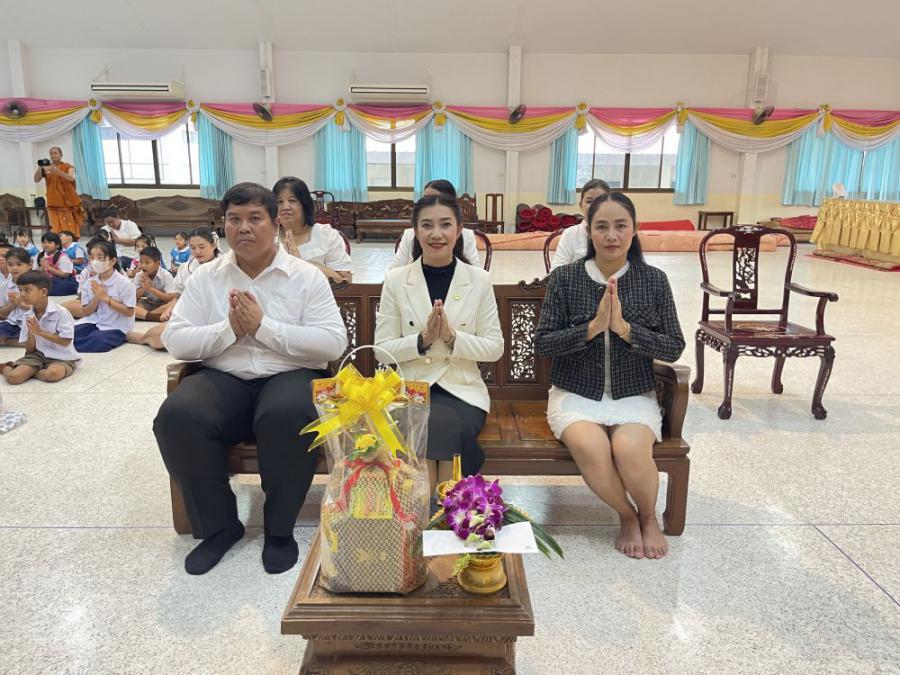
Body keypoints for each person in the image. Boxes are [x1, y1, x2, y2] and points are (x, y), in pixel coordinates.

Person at [154, 183, 348, 576]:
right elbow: (175, 340)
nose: (243, 227)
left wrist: (263, 328)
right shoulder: (206, 277)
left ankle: (279, 530)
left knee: (289, 414)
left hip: (288, 374)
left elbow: (332, 342)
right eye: (234, 219)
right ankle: (219, 527)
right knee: (177, 417)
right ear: (223, 225)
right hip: (223, 376)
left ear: (276, 224)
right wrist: (229, 329)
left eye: (255, 218)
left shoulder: (305, 277)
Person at [534, 192, 685, 561]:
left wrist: (624, 329)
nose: (611, 235)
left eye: (621, 226)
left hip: (633, 392)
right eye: (601, 226)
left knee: (630, 449)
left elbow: (674, 346)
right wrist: (592, 327)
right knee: (592, 447)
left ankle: (649, 518)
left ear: (635, 230)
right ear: (588, 231)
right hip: (575, 392)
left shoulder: (654, 280)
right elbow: (543, 342)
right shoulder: (565, 279)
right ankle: (627, 516)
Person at [374, 194, 504, 487]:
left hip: (463, 390)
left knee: (438, 428)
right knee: (436, 429)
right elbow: (382, 350)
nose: (436, 234)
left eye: (445, 225)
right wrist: (422, 341)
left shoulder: (479, 280)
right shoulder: (396, 279)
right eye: (427, 225)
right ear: (415, 232)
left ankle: (429, 510)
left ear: (459, 230)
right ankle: (445, 509)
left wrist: (451, 337)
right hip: (412, 389)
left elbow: (495, 347)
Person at [129, 227, 221, 350]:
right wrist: (170, 309)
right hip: (189, 315)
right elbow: (178, 296)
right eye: (193, 248)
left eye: (202, 247)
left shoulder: (224, 267)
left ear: (213, 245)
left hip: (217, 317)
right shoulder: (185, 268)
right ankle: (142, 337)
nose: (197, 251)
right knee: (160, 336)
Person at [0, 271, 81, 384]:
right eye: (20, 290)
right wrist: (31, 334)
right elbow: (29, 351)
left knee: (52, 374)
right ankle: (6, 367)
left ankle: (30, 372)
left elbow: (65, 341)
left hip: (61, 356)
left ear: (43, 291)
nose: (22, 294)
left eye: (27, 290)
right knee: (13, 377)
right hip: (37, 356)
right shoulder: (27, 315)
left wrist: (40, 332)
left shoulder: (61, 313)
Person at [273, 177, 352, 282]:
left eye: (292, 200)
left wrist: (301, 263)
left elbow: (345, 280)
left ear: (305, 205)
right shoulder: (268, 238)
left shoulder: (326, 235)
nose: (285, 207)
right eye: (279, 202)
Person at [389, 180, 481, 270]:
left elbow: (476, 272)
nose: (436, 235)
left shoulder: (467, 235)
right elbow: (394, 272)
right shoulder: (409, 235)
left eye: (446, 224)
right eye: (426, 199)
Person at [73, 239, 136, 352]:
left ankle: (71, 348)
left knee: (98, 340)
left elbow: (129, 312)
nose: (94, 261)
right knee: (70, 333)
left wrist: (105, 298)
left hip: (117, 326)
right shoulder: (90, 282)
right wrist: (96, 298)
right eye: (92, 257)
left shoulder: (124, 283)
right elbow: (86, 312)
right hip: (95, 321)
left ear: (112, 261)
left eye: (100, 258)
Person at [550, 178, 611, 270]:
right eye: (589, 201)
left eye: (600, 201)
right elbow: (556, 271)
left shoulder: (616, 235)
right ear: (581, 205)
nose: (594, 205)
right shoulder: (570, 234)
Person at [32, 146, 85, 235]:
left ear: (61, 155)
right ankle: (57, 242)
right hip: (52, 202)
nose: (53, 155)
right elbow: (36, 180)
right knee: (55, 228)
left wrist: (57, 171)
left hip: (66, 203)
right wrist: (40, 167)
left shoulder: (68, 167)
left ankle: (70, 241)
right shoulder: (47, 168)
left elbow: (71, 178)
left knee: (68, 228)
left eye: (55, 153)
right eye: (51, 154)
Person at [130, 246, 176, 325]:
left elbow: (170, 298)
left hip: (163, 304)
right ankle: (154, 316)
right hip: (149, 303)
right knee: (130, 307)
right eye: (141, 262)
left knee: (173, 304)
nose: (143, 265)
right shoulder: (139, 275)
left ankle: (146, 315)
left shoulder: (166, 275)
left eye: (147, 262)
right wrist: (143, 286)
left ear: (157, 264)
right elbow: (135, 298)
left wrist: (150, 289)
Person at [0, 247, 34, 345]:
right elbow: (2, 314)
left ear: (29, 265)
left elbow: (43, 309)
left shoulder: (36, 284)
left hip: (31, 323)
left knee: (37, 339)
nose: (14, 268)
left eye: (19, 264)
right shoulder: (4, 286)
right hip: (11, 323)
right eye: (10, 264)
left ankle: (8, 341)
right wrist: (12, 304)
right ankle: (13, 341)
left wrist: (21, 304)